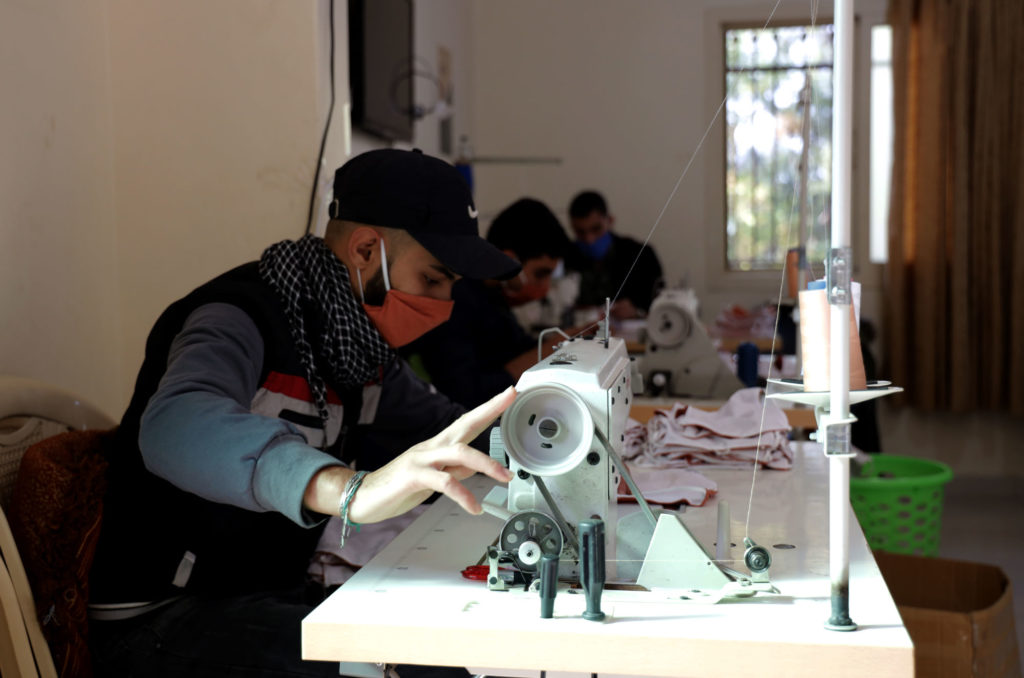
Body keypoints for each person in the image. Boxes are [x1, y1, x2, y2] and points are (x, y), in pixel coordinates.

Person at [87, 149, 521, 677]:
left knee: (453, 648)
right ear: (366, 248)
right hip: (159, 619)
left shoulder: (356, 352)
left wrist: (542, 438)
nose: (444, 304)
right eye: (433, 280)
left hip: (257, 598)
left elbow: (452, 432)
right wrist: (350, 491)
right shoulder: (238, 317)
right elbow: (174, 424)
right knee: (419, 668)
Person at [404, 198, 573, 409]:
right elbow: (463, 393)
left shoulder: (493, 298)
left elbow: (519, 349)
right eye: (540, 274)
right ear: (510, 261)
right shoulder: (456, 300)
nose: (545, 286)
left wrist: (563, 342)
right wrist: (551, 350)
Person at [567, 190, 663, 319]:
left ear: (610, 221)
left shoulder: (641, 255)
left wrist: (637, 309)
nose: (589, 239)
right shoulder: (564, 257)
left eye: (596, 229)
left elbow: (659, 303)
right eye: (580, 232)